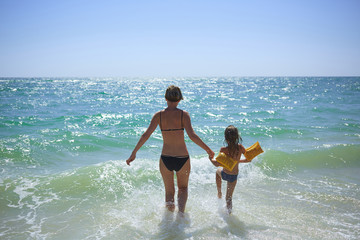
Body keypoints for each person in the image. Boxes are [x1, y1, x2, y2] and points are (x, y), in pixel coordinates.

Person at [126, 85, 215, 215]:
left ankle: (169, 223)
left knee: (169, 192)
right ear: (180, 99)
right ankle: (181, 216)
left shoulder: (159, 115)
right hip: (182, 158)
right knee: (183, 189)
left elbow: (145, 135)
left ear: (165, 98)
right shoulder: (184, 115)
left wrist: (134, 153)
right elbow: (192, 136)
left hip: (165, 158)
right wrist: (208, 150)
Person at [215, 125, 250, 214]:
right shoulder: (240, 148)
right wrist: (238, 161)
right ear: (237, 136)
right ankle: (229, 215)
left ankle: (219, 192)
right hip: (233, 176)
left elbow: (219, 163)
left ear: (225, 137)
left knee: (217, 172)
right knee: (229, 198)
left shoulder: (223, 149)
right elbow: (248, 159)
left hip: (224, 173)